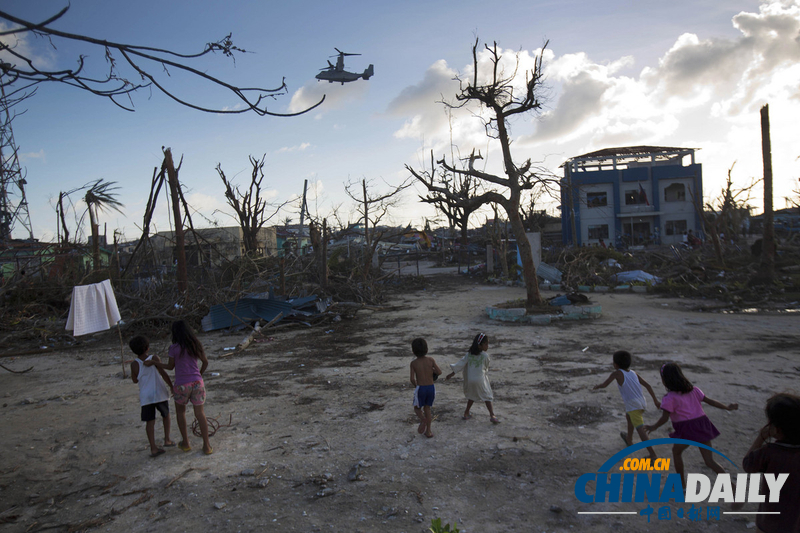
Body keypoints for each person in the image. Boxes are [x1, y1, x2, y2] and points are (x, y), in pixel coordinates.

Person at [644, 362, 738, 488]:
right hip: (701, 424)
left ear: (665, 380)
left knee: (676, 453)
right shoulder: (694, 390)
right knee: (709, 461)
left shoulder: (669, 398)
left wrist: (653, 427)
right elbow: (711, 402)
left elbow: (664, 418)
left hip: (686, 429)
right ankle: (732, 486)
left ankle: (681, 485)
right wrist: (727, 407)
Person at [152, 320, 213, 455]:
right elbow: (205, 362)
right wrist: (199, 375)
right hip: (197, 382)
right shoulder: (195, 344)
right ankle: (207, 445)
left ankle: (185, 442)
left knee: (181, 412)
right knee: (200, 414)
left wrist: (155, 363)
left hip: (182, 384)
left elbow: (170, 367)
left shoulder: (174, 348)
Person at [742, 393, 800, 533]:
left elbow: (748, 465)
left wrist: (761, 437)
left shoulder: (769, 452)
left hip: (769, 523)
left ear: (777, 430)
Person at [592, 350, 660, 459]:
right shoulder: (633, 373)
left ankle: (653, 455)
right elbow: (648, 385)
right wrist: (655, 400)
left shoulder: (617, 373)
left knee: (640, 429)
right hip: (641, 402)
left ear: (616, 364)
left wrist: (597, 386)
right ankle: (629, 439)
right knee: (628, 417)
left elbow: (605, 385)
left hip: (633, 405)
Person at [129, 335, 174, 457]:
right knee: (166, 415)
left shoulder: (134, 364)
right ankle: (167, 439)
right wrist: (171, 385)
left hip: (146, 396)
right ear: (147, 348)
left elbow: (134, 380)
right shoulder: (154, 358)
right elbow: (163, 373)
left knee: (150, 422)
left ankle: (153, 447)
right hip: (158, 393)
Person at [445, 333, 499, 423]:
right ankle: (492, 415)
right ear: (480, 345)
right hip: (480, 380)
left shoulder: (469, 354)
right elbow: (486, 368)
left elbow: (461, 364)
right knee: (487, 397)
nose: (487, 346)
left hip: (470, 380)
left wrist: (452, 374)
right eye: (486, 344)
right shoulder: (485, 356)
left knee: (471, 396)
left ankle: (466, 413)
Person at [409, 338, 442, 438]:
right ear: (426, 349)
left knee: (417, 408)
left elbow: (412, 379)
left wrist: (416, 387)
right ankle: (428, 431)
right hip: (431, 388)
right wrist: (432, 370)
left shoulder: (413, 363)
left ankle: (423, 419)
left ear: (413, 351)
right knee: (427, 408)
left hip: (421, 388)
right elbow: (439, 372)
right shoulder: (431, 360)